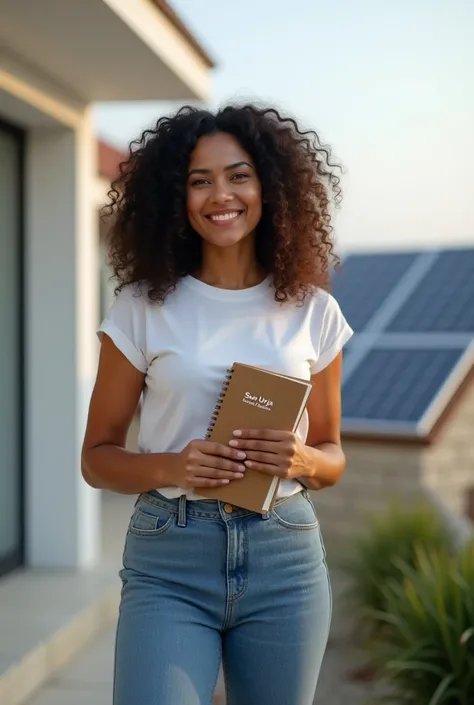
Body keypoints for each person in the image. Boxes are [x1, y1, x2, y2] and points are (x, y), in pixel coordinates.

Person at [81, 103, 353, 705]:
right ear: (174, 198)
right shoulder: (140, 307)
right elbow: (96, 457)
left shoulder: (314, 310)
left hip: (285, 555)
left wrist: (302, 459)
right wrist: (173, 466)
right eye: (198, 181)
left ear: (269, 187)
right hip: (169, 556)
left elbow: (333, 456)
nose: (219, 195)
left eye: (238, 175)